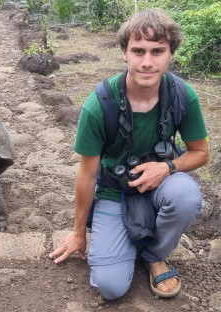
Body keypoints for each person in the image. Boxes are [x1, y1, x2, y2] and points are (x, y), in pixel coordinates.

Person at [49, 8, 209, 300]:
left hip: (162, 183)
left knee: (186, 197)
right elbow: (87, 175)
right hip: (114, 190)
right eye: (138, 50)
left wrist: (168, 167)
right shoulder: (99, 104)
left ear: (170, 53)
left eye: (157, 51)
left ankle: (154, 254)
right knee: (110, 287)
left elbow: (200, 154)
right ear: (124, 52)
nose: (147, 62)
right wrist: (78, 233)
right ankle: (118, 237)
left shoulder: (182, 95)